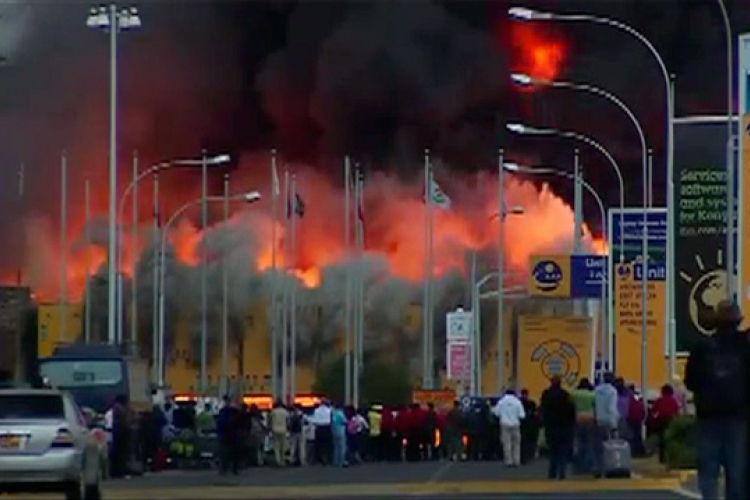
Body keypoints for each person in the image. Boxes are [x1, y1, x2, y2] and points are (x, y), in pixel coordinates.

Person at [685, 300, 750, 500]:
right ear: (737, 321)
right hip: (737, 418)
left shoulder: (701, 348)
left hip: (708, 417)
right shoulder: (745, 348)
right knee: (736, 474)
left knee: (708, 472)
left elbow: (690, 381)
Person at [540, 376, 576, 480]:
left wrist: (545, 423)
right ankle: (562, 472)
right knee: (563, 452)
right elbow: (571, 412)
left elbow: (543, 410)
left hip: (551, 427)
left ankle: (552, 472)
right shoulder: (565, 395)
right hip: (564, 427)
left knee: (553, 451)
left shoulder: (546, 395)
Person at [593, 372, 619, 478]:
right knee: (609, 447)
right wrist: (615, 423)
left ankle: (597, 468)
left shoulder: (596, 390)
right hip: (608, 421)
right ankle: (609, 468)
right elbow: (611, 408)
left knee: (598, 446)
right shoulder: (612, 391)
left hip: (598, 420)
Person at [493, 389, 526, 467]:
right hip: (515, 424)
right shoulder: (517, 402)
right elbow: (522, 415)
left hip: (504, 424)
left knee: (506, 444)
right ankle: (516, 461)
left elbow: (496, 413)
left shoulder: (501, 402)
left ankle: (508, 461)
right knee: (516, 444)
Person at [648, 384, 680, 464]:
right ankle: (670, 457)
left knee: (662, 441)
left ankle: (662, 458)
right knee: (670, 440)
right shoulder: (673, 401)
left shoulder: (659, 401)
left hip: (661, 422)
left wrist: (653, 421)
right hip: (670, 422)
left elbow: (653, 412)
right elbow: (677, 413)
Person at [572, 378, 595, 474]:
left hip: (578, 419)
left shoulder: (575, 394)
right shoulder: (592, 395)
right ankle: (588, 465)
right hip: (590, 419)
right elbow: (595, 405)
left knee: (579, 442)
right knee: (589, 443)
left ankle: (578, 465)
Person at [216, 396, 241, 475]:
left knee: (224, 452)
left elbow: (219, 423)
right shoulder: (234, 412)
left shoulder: (223, 412)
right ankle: (233, 469)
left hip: (225, 435)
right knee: (233, 453)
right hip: (233, 435)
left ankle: (224, 469)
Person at [519, 389, 539, 464]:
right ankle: (528, 455)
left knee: (525, 441)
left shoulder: (521, 403)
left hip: (525, 424)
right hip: (529, 424)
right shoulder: (530, 403)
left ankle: (526, 455)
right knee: (527, 440)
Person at [626, 384, 646, 457]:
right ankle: (640, 451)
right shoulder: (636, 397)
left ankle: (634, 452)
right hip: (638, 418)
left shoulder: (628, 396)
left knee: (632, 436)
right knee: (638, 436)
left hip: (631, 419)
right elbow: (641, 407)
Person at [312, 400, 333, 465]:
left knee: (319, 445)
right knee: (327, 444)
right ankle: (326, 458)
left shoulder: (316, 410)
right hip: (326, 428)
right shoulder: (329, 410)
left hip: (319, 428)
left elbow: (314, 420)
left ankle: (320, 458)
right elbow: (331, 419)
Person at [269, 400, 289, 467]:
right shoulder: (285, 411)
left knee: (276, 446)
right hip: (283, 429)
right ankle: (283, 460)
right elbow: (287, 420)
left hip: (275, 429)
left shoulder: (273, 412)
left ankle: (278, 461)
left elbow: (270, 420)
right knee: (283, 445)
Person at [332, 403, 348, 467]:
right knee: (342, 447)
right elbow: (345, 421)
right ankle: (342, 462)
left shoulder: (333, 413)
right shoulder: (340, 413)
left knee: (336, 447)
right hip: (341, 431)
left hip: (334, 431)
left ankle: (336, 461)